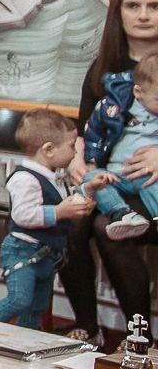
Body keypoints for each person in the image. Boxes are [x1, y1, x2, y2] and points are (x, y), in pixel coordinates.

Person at [69, 0, 158, 343]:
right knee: (71, 221)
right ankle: (88, 329)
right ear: (118, 13)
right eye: (133, 5)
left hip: (151, 189)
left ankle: (140, 338)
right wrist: (78, 159)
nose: (143, 15)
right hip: (111, 179)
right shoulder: (103, 68)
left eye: (153, 6)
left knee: (108, 228)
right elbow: (82, 129)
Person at [0, 111, 92, 328]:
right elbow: (23, 215)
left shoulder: (55, 177)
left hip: (47, 254)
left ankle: (25, 342)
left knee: (37, 306)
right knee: (19, 300)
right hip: (22, 251)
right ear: (49, 149)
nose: (76, 152)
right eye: (72, 146)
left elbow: (61, 210)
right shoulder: (25, 178)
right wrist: (60, 212)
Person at [77, 53, 158, 239]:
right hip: (116, 173)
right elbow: (94, 132)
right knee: (93, 179)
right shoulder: (116, 108)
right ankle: (121, 213)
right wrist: (91, 159)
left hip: (148, 175)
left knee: (154, 185)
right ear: (138, 92)